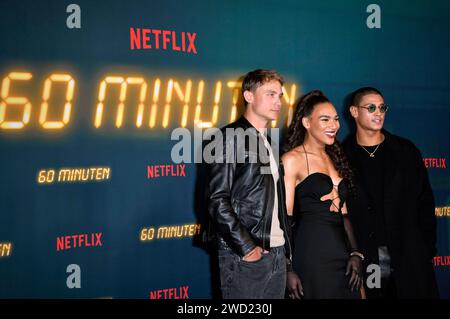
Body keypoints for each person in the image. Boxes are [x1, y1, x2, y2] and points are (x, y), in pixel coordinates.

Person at [342, 87, 439, 298]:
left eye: (382, 107)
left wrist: (426, 249)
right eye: (371, 107)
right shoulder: (342, 157)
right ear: (354, 111)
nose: (379, 112)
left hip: (408, 255)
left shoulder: (405, 151)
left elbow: (425, 202)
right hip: (370, 260)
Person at [206, 69, 292, 299]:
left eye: (280, 95)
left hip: (275, 252)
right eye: (270, 94)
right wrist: (247, 248)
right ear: (249, 96)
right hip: (245, 254)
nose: (278, 101)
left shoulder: (269, 141)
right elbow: (217, 200)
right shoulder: (227, 137)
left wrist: (284, 250)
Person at [282, 90, 363, 299]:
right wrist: (288, 267)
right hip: (312, 254)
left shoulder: (335, 157)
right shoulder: (292, 159)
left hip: (342, 255)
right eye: (325, 119)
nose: (334, 125)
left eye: (336, 119)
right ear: (307, 123)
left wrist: (355, 253)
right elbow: (285, 220)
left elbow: (344, 215)